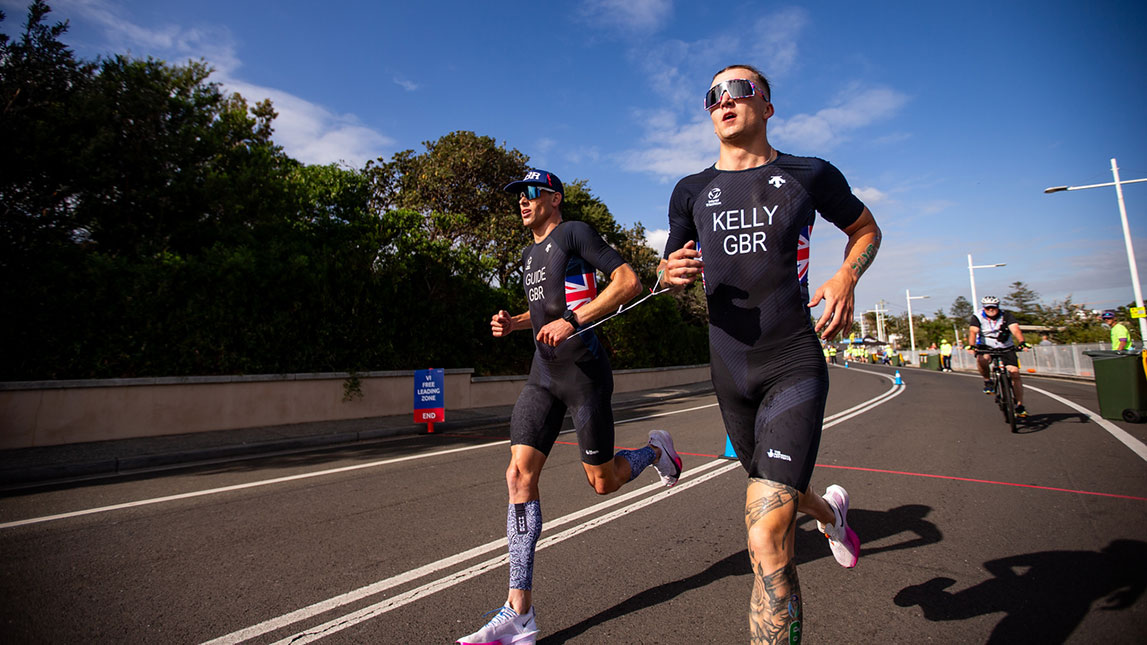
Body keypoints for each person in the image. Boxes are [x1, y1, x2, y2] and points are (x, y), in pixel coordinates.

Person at [659, 64, 882, 643]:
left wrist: (845, 278)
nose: (724, 102)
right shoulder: (689, 191)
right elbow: (672, 265)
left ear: (767, 106)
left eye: (739, 91)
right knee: (770, 488)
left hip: (791, 361)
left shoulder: (809, 174)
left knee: (766, 531)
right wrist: (669, 272)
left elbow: (865, 229)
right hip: (728, 369)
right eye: (714, 95)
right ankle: (831, 514)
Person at [456, 169, 683, 645]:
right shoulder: (527, 253)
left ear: (554, 199)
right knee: (518, 475)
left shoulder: (574, 233)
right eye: (517, 194)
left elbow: (628, 281)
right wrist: (514, 323)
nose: (522, 201)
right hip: (543, 374)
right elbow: (545, 312)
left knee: (602, 482)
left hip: (584, 375)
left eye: (531, 193)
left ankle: (657, 453)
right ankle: (520, 611)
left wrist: (573, 320)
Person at [966, 295, 1028, 418]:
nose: (991, 310)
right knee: (982, 359)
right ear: (984, 308)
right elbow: (973, 331)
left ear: (998, 307)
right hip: (986, 345)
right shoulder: (977, 316)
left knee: (1014, 373)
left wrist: (1022, 342)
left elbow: (1015, 329)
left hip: (1005, 346)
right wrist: (972, 346)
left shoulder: (1006, 315)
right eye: (988, 308)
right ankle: (988, 381)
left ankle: (1020, 406)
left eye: (993, 307)